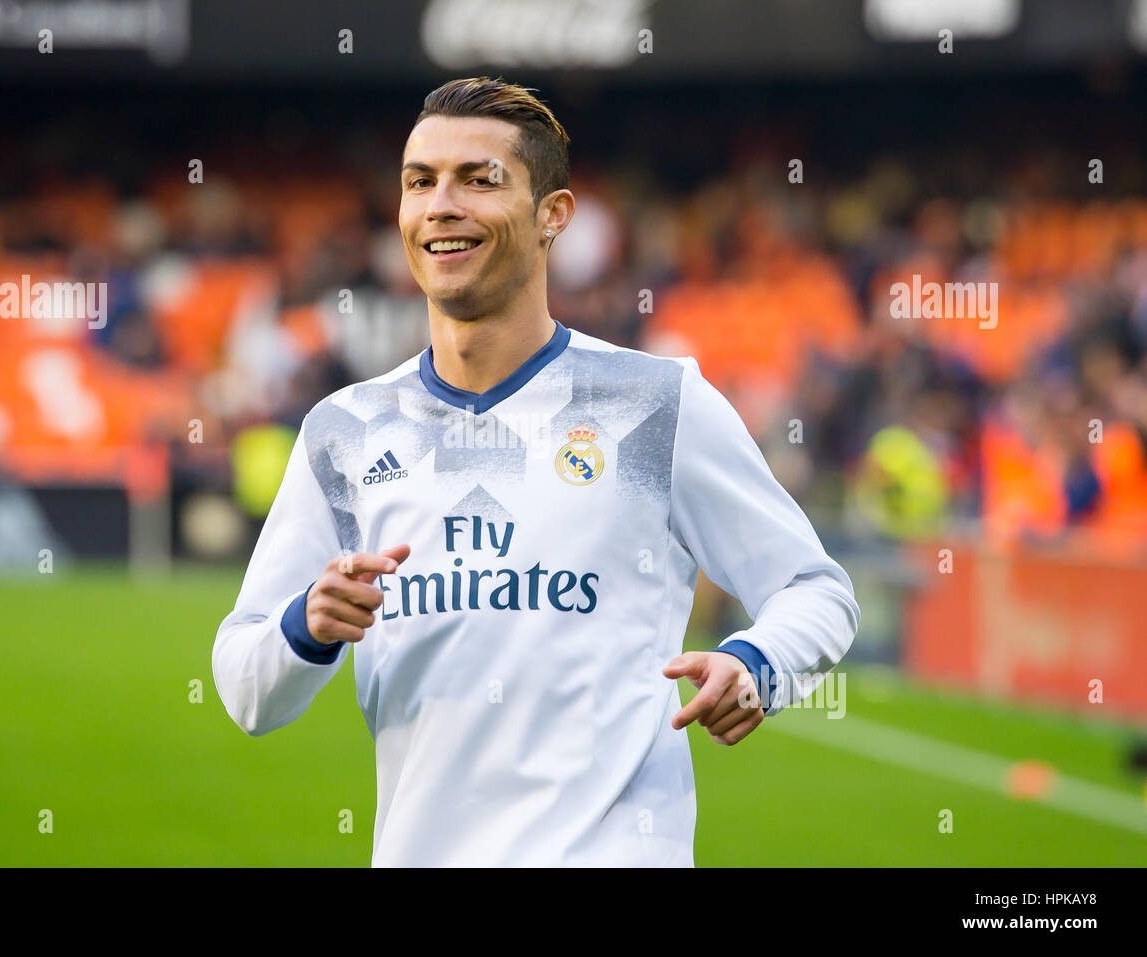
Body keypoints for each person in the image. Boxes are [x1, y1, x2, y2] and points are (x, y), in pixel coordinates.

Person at [212, 76, 860, 866]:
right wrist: (306, 626)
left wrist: (758, 660)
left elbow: (816, 589)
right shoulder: (346, 431)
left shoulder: (656, 401)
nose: (441, 204)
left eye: (479, 180)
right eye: (421, 182)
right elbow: (247, 689)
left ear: (553, 215)